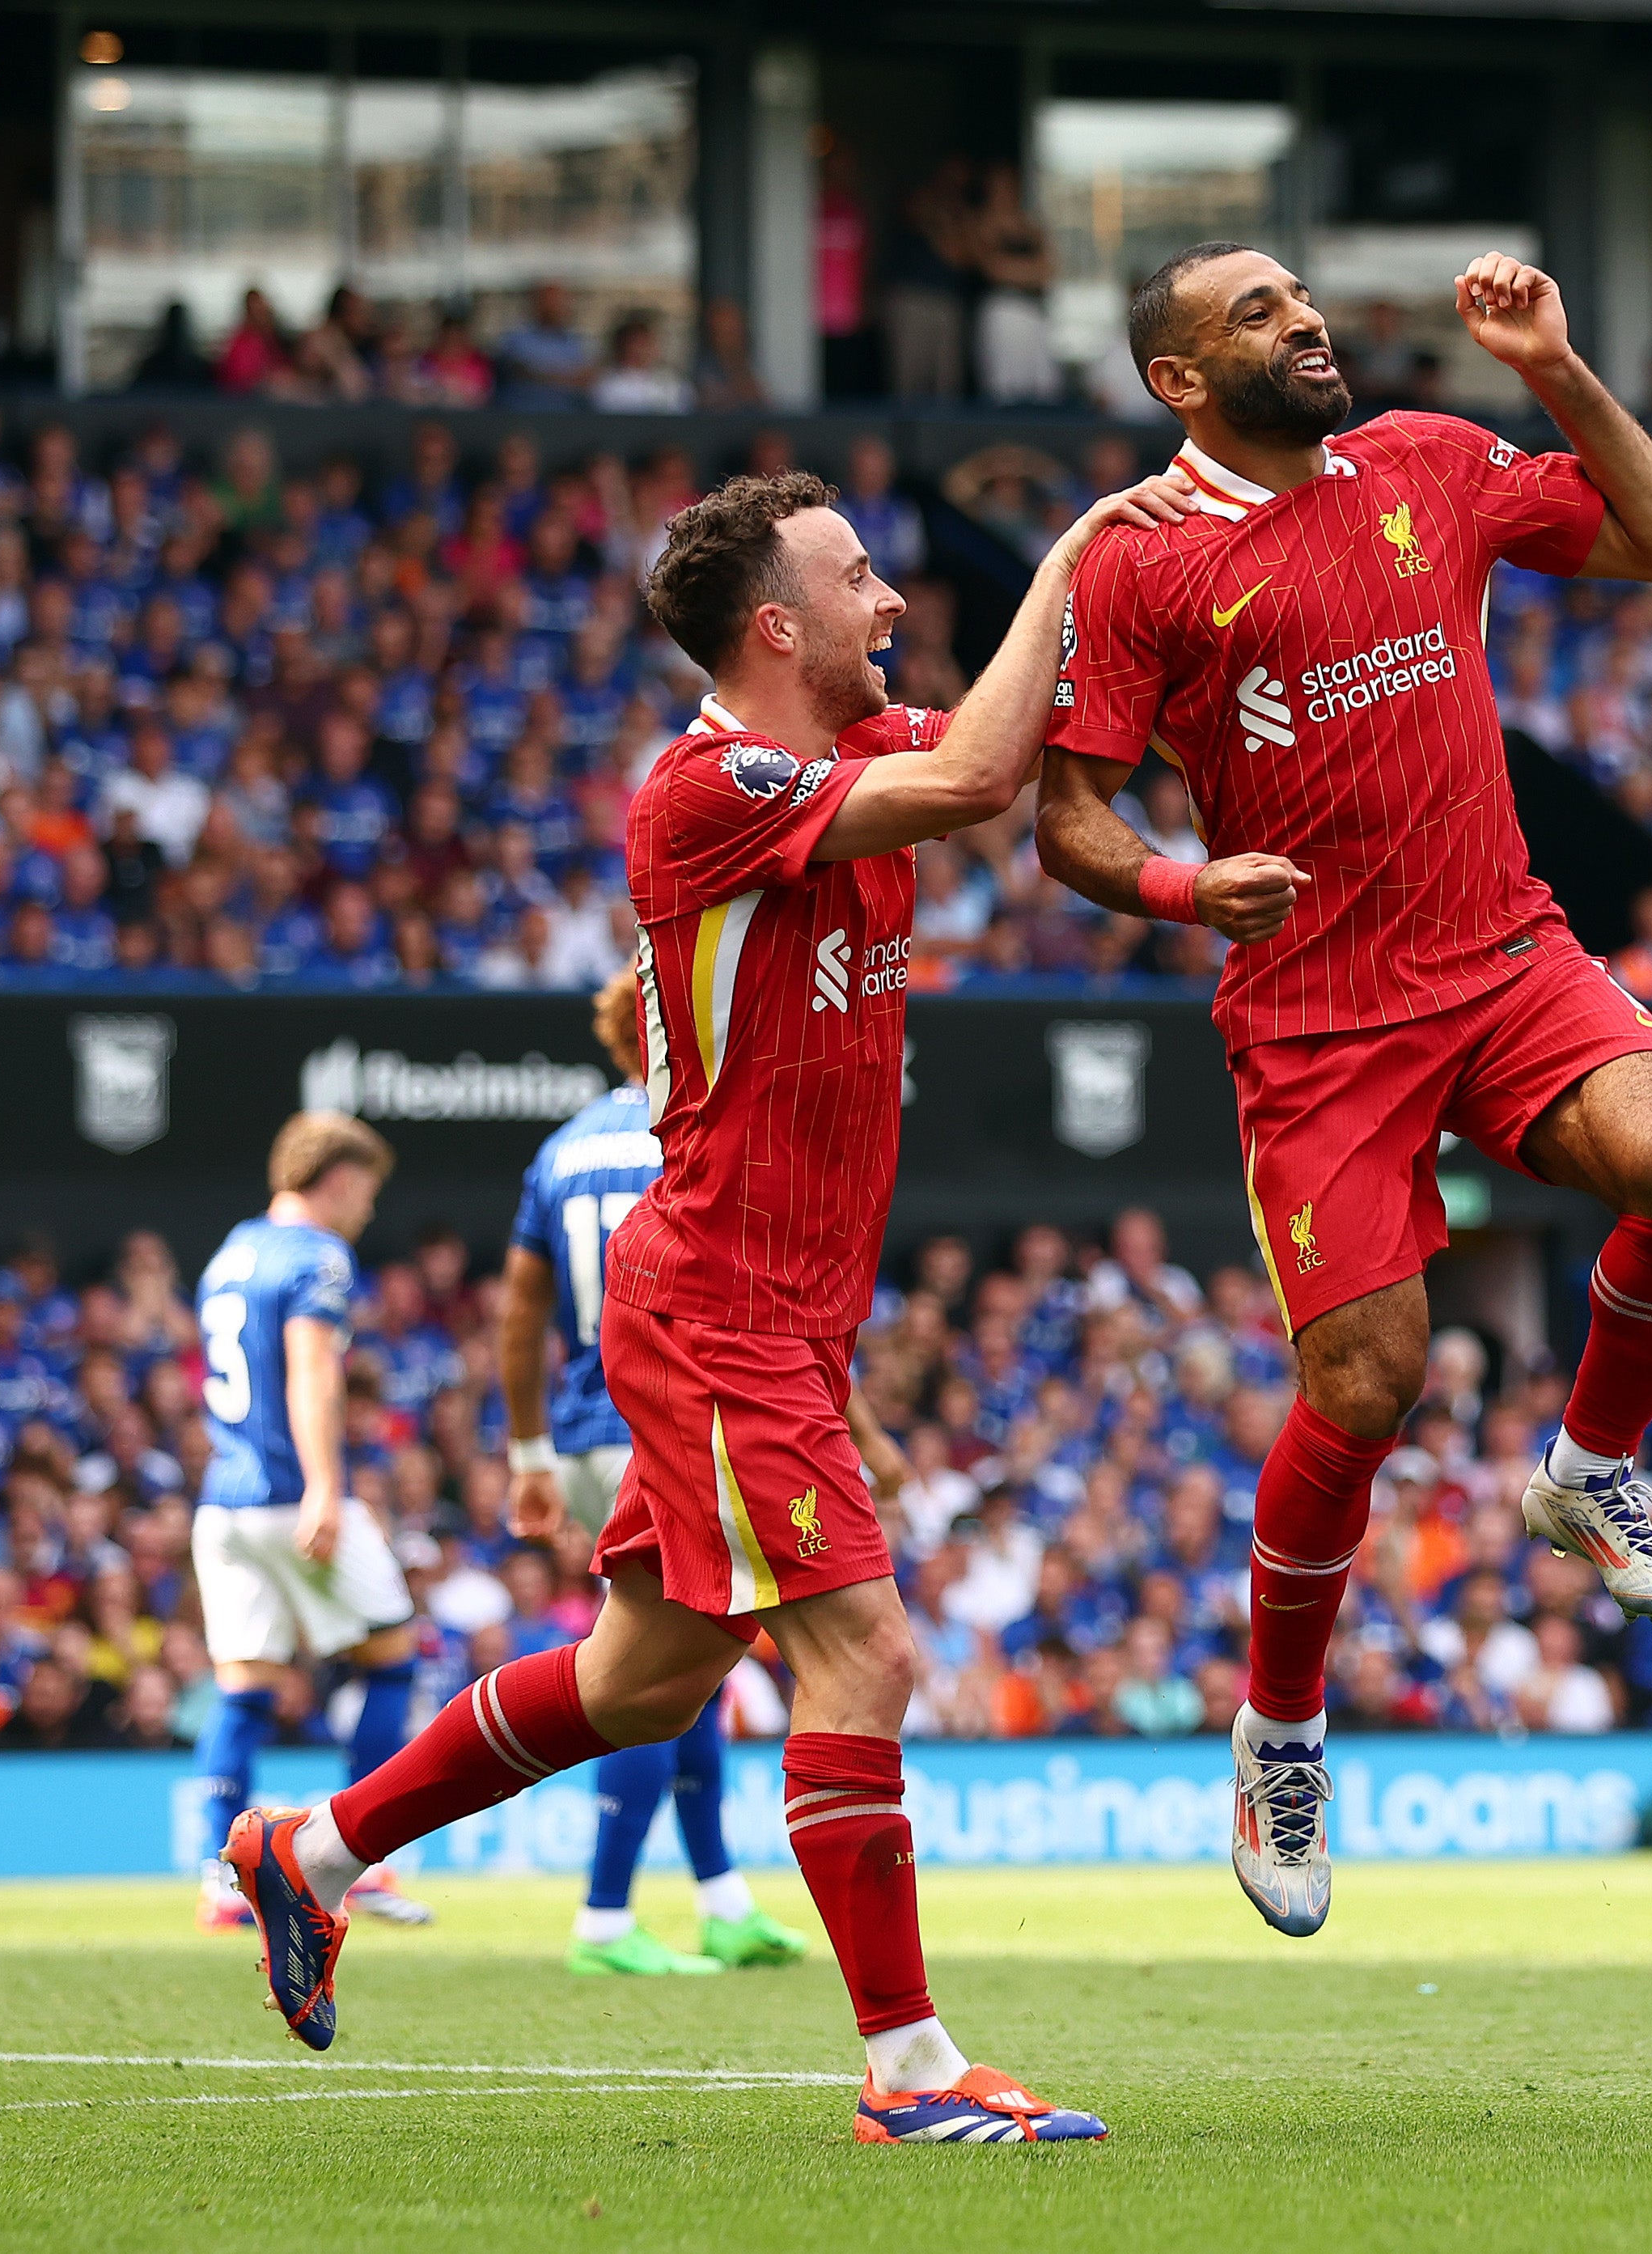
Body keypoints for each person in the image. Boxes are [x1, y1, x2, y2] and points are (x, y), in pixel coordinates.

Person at [224, 458, 1197, 2144]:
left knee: (643, 1681)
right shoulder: (705, 784)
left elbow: (1019, 749)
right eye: (859, 578)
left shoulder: (853, 750)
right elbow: (980, 767)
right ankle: (908, 2073)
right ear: (776, 623)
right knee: (865, 1651)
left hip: (782, 1311)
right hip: (718, 1303)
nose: (891, 601)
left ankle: (303, 1853)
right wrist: (1081, 542)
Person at [1032, 244, 1652, 1942]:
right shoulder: (1138, 563)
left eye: (1300, 297)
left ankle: (1589, 1466)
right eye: (1254, 315)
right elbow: (1068, 815)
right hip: (1319, 1017)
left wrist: (1552, 366)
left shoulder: (1421, 456)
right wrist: (1186, 892)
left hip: (1501, 950)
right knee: (1368, 1382)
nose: (1304, 322)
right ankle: (1281, 1732)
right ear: (1180, 379)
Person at [498, 966, 815, 1980]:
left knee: (695, 1656)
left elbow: (517, 1311)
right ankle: (603, 1914)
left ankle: (721, 1900)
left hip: (587, 1427)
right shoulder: (695, 1134)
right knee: (652, 1669)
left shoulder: (558, 1150)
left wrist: (527, 1451)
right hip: (668, 1415)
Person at [188, 1112, 434, 1932]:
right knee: (392, 1657)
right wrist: (328, 1485)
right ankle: (354, 1861)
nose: (367, 1208)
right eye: (366, 1188)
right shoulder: (319, 1254)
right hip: (294, 1493)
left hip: (223, 1503)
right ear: (337, 1178)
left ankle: (217, 1882)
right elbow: (309, 1371)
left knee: (244, 1689)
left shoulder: (233, 1250)